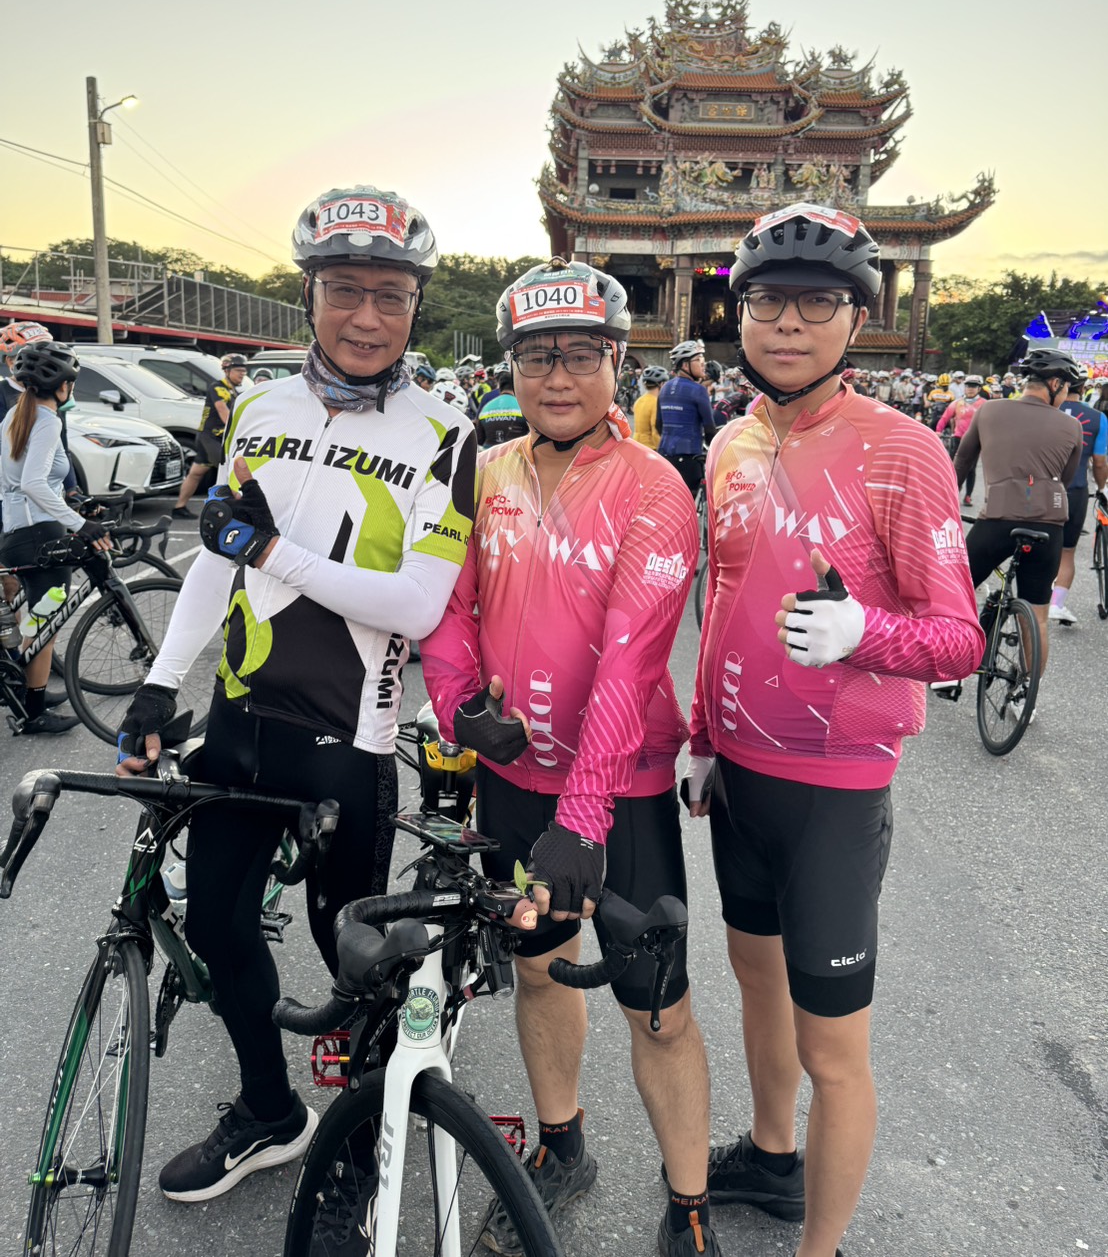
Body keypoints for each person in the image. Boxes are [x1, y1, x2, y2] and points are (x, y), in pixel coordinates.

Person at [115, 184, 478, 1206]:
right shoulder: (261, 406)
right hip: (240, 726)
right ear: (308, 294)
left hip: (345, 742)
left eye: (391, 295)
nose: (366, 316)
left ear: (416, 305)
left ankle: (365, 1141)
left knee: (355, 959)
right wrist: (158, 684)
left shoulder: (446, 431)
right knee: (221, 928)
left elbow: (416, 602)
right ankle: (271, 1113)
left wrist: (273, 550)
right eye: (344, 290)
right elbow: (215, 558)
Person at [687, 203, 983, 1257]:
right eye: (769, 299)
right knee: (755, 982)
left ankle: (823, 1247)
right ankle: (774, 1159)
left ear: (858, 320)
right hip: (737, 776)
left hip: (834, 787)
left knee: (834, 1049)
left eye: (818, 303)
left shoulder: (903, 450)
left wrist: (866, 632)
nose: (788, 322)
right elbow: (723, 597)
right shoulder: (730, 441)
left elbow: (961, 638)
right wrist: (701, 732)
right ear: (739, 311)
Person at [422, 257, 720, 1257]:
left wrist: (584, 816)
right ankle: (562, 1144)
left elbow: (630, 664)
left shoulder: (655, 490)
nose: (557, 376)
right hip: (512, 783)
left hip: (617, 795)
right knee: (541, 975)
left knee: (658, 1010)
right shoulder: (487, 470)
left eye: (581, 355)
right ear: (511, 363)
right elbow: (448, 608)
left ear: (617, 362)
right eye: (537, 355)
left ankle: (688, 1204)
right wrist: (461, 706)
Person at [1, 342, 112, 734]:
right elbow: (34, 483)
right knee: (45, 623)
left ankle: (28, 690)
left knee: (35, 619)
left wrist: (73, 506)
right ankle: (33, 713)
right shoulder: (47, 421)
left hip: (17, 530)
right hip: (41, 534)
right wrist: (79, 524)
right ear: (64, 385)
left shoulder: (17, 413)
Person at [952, 348, 1083, 679]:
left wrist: (944, 505)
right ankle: (1026, 689)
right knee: (1038, 615)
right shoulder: (1072, 426)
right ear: (1055, 384)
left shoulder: (989, 410)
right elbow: (1064, 480)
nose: (1065, 395)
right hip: (1049, 526)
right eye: (1066, 388)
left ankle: (946, 672)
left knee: (954, 594)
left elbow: (963, 461)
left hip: (997, 520)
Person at [1048, 365, 1108, 624]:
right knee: (1067, 551)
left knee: (1035, 544)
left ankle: (1030, 599)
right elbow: (1099, 462)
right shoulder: (1098, 418)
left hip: (1040, 488)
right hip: (1075, 489)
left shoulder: (1045, 410)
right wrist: (1102, 488)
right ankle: (1056, 604)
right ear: (1083, 388)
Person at [171, 352, 249, 519]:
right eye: (238, 370)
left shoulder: (233, 390)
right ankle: (233, 513)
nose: (242, 374)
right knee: (230, 473)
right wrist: (239, 431)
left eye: (244, 371)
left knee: (196, 474)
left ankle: (179, 507)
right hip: (211, 438)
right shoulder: (218, 388)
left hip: (211, 438)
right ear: (227, 370)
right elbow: (223, 413)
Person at [658, 339, 719, 496]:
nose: (703, 364)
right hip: (689, 456)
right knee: (687, 502)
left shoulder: (664, 388)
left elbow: (659, 425)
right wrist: (713, 449)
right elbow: (710, 428)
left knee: (668, 501)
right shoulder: (698, 390)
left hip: (664, 456)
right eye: (698, 360)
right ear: (685, 365)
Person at [935, 374, 987, 505]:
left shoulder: (984, 404)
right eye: (968, 386)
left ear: (979, 389)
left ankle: (968, 495)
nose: (971, 389)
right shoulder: (957, 403)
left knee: (971, 469)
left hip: (975, 441)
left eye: (974, 386)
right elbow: (944, 418)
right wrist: (938, 431)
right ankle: (953, 494)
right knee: (954, 468)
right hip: (957, 439)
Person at [476, 365, 529, 446]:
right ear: (515, 387)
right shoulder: (523, 406)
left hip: (490, 452)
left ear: (500, 388)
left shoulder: (486, 408)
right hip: (516, 452)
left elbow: (479, 439)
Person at [632, 364, 666, 449]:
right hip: (650, 447)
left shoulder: (639, 400)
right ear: (661, 384)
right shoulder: (655, 402)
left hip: (636, 444)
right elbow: (655, 431)